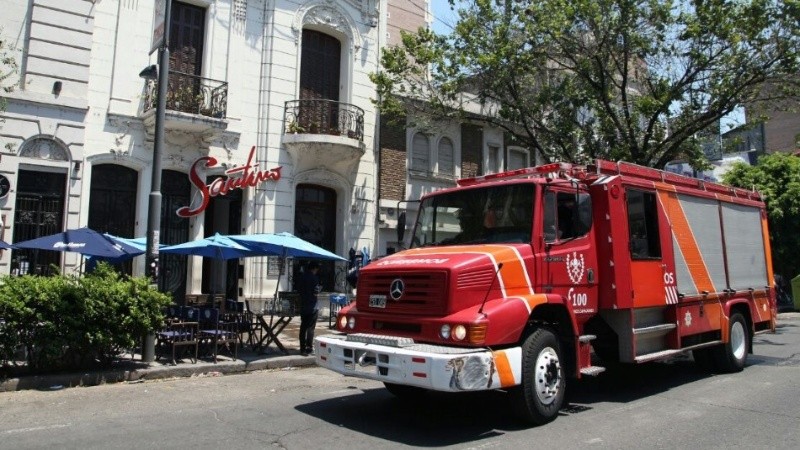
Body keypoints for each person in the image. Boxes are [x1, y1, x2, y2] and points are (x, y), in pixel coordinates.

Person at [297, 261, 321, 356]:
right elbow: (316, 292)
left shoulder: (302, 277)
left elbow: (299, 290)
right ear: (314, 268)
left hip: (303, 305)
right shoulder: (314, 278)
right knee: (310, 328)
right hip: (313, 306)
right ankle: (309, 348)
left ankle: (302, 348)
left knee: (303, 327)